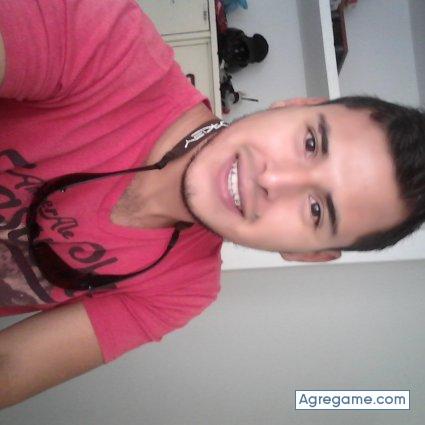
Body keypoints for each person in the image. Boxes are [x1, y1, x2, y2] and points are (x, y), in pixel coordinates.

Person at [0, 0, 424, 408]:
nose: (272, 180)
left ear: (307, 254)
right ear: (296, 104)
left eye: (316, 210)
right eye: (310, 143)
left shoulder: (186, 289)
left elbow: (10, 365)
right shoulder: (109, 46)